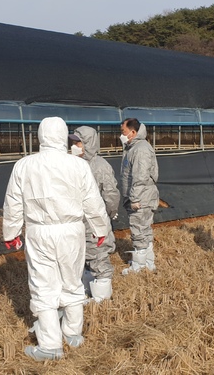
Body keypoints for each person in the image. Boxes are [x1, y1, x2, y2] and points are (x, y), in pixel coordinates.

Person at [3, 117, 110, 361]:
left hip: (39, 232)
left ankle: (50, 345)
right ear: (63, 136)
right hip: (72, 231)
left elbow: (13, 202)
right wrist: (100, 228)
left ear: (40, 136)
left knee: (43, 286)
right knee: (72, 280)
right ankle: (73, 334)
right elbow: (92, 200)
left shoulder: (24, 165)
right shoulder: (78, 165)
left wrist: (11, 233)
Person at [69, 126, 120, 302]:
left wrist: (107, 215)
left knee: (98, 256)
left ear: (88, 143)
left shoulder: (100, 166)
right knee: (83, 256)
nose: (74, 146)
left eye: (78, 142)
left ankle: (102, 297)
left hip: (93, 221)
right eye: (73, 142)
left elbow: (111, 194)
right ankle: (87, 289)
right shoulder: (73, 164)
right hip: (76, 221)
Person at [118, 118, 159, 275]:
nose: (121, 135)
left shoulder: (140, 149)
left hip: (141, 197)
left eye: (124, 132)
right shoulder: (134, 148)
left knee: (139, 230)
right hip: (143, 195)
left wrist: (135, 198)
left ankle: (139, 267)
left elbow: (140, 176)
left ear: (133, 132)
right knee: (144, 229)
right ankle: (147, 262)